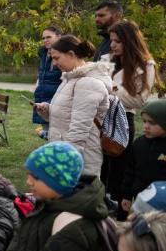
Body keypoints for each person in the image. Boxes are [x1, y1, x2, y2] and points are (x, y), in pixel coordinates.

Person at [102, 20, 159, 220]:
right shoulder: (107, 60)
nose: (112, 45)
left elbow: (138, 99)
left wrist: (109, 87)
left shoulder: (145, 65)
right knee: (101, 168)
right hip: (100, 117)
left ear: (129, 41)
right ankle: (100, 210)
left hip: (122, 119)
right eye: (111, 40)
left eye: (117, 41)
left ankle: (118, 216)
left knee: (118, 171)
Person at [34, 35, 111, 177]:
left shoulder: (88, 83)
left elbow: (79, 129)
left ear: (71, 54)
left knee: (75, 198)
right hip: (64, 152)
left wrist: (67, 161)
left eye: (57, 58)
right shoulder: (69, 79)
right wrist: (47, 109)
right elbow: (67, 113)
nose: (55, 63)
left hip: (79, 160)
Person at [121, 99, 166, 214]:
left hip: (161, 203)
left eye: (152, 123)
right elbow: (130, 171)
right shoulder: (139, 144)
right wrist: (126, 195)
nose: (146, 126)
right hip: (140, 200)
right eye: (144, 121)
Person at [33, 26, 63, 139]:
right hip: (42, 95)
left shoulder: (64, 54)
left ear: (59, 37)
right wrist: (37, 84)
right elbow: (41, 72)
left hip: (56, 97)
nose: (45, 40)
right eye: (43, 38)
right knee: (46, 128)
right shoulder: (43, 53)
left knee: (57, 132)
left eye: (48, 37)